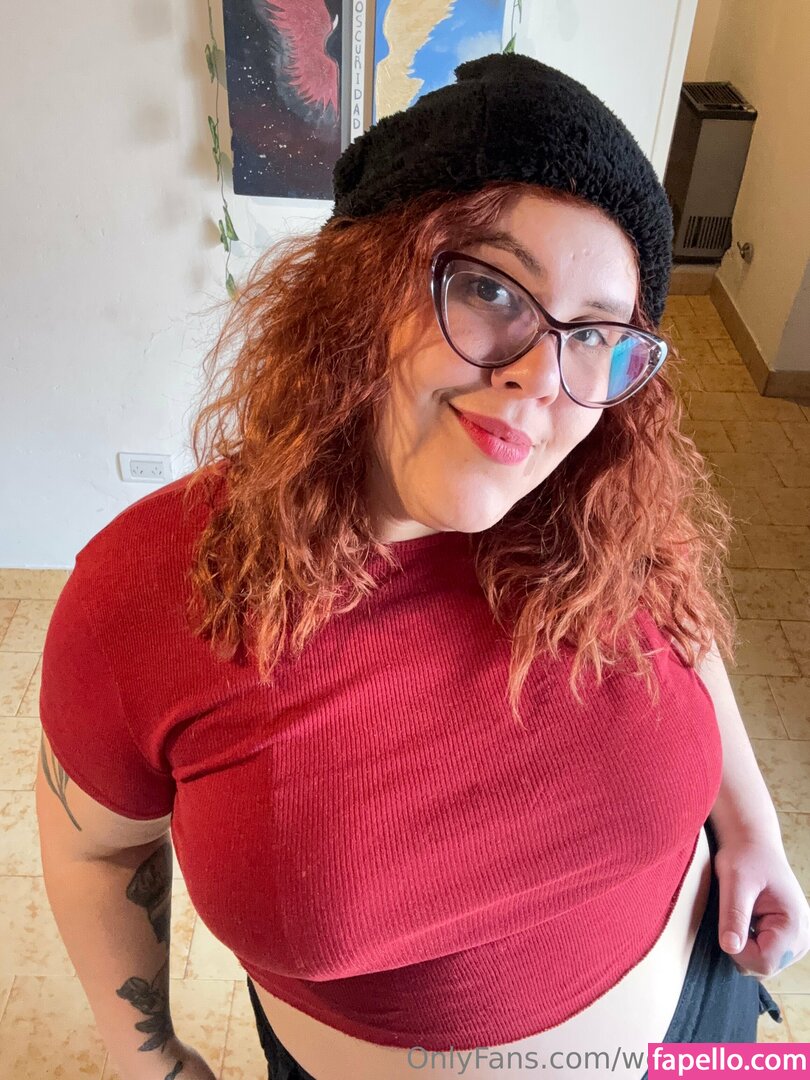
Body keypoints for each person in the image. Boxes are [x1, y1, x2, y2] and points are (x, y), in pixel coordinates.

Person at [37, 53, 807, 1080]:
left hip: (703, 1032)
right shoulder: (152, 592)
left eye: (594, 335)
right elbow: (96, 850)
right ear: (358, 288)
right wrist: (150, 1063)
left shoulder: (595, 503)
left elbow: (678, 615)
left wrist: (751, 827)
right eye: (490, 288)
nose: (541, 377)